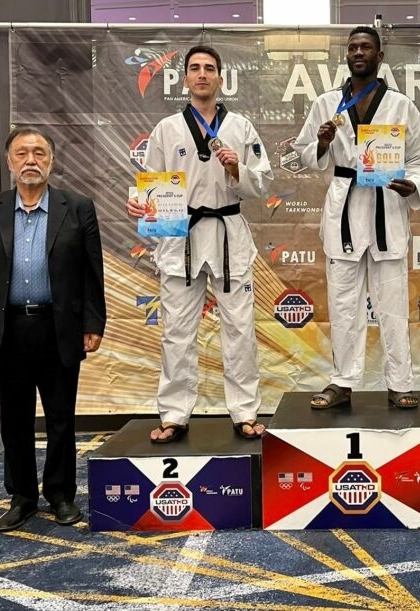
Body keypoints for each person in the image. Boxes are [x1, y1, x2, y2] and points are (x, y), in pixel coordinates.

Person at [0, 127, 106, 532]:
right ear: (9, 161)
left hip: (58, 328)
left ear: (51, 161)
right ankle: (22, 497)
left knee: (61, 419)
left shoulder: (77, 208)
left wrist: (93, 323)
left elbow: (92, 273)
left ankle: (60, 495)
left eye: (39, 153)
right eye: (22, 153)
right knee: (14, 420)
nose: (30, 160)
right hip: (5, 330)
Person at [126, 45, 273, 442]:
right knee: (176, 330)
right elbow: (151, 182)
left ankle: (245, 411)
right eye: (195, 68)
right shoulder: (166, 129)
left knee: (239, 329)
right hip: (182, 235)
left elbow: (262, 182)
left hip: (228, 232)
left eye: (209, 68)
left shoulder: (240, 127)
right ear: (185, 78)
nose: (202, 74)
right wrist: (139, 202)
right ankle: (174, 414)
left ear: (221, 78)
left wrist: (236, 167)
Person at [292, 26, 420, 410]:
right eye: (352, 47)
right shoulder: (326, 103)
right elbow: (304, 153)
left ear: (379, 56)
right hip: (345, 209)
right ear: (347, 55)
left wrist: (413, 182)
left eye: (366, 47)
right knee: (343, 304)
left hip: (387, 204)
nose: (358, 52)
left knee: (393, 304)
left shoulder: (401, 105)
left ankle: (399, 383)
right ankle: (342, 381)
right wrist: (321, 143)